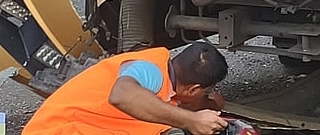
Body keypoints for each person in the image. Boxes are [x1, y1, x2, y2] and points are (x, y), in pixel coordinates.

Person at [24, 42, 231, 135]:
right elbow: (121, 95)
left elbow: (174, 107)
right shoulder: (150, 71)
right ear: (193, 89)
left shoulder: (168, 80)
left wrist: (210, 106)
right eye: (205, 91)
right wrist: (193, 120)